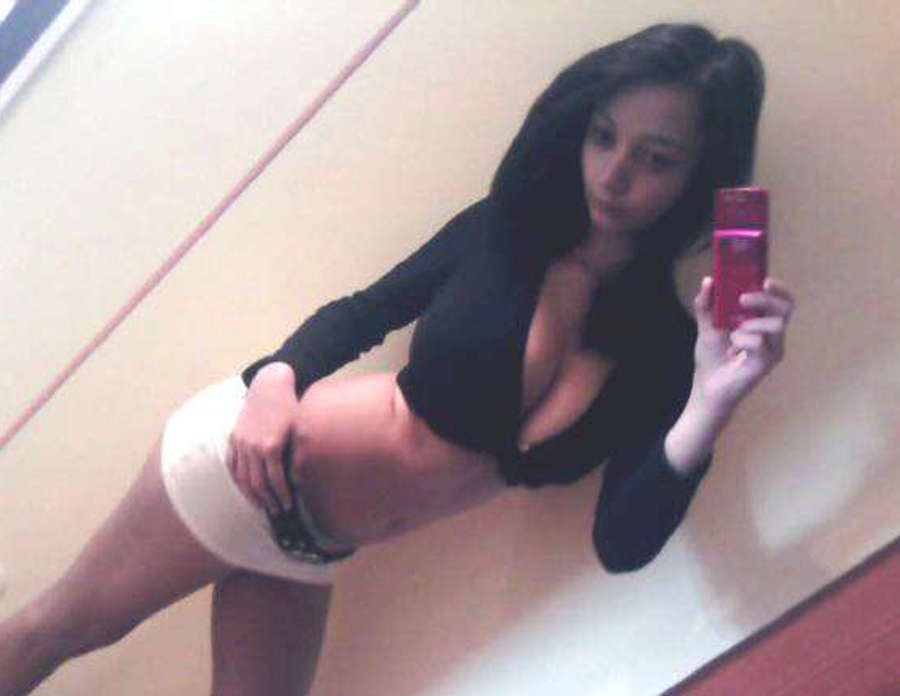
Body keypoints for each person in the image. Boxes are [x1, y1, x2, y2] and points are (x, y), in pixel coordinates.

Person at [0, 22, 794, 696]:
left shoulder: (666, 346)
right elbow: (364, 312)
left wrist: (711, 402)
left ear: (701, 174)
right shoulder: (507, 226)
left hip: (310, 546)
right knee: (58, 629)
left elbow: (623, 544)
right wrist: (272, 381)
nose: (614, 175)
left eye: (656, 159)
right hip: (248, 460)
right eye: (603, 136)